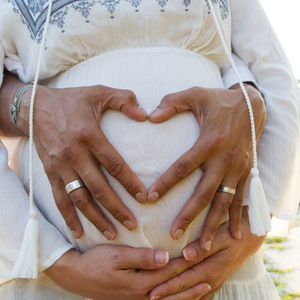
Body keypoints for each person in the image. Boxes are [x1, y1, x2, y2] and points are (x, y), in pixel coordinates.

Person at [0, 0, 299, 299]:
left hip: (220, 277)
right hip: (58, 287)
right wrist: (54, 260)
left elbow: (272, 75)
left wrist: (253, 227)